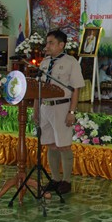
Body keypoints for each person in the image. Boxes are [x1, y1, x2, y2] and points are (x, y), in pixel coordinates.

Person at [33, 30, 85, 195]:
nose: (47, 46)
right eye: (47, 42)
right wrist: (36, 110)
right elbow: (37, 88)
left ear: (61, 45)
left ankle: (66, 181)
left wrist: (71, 112)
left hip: (61, 107)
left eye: (51, 43)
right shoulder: (44, 63)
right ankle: (55, 179)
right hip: (45, 107)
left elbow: (75, 89)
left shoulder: (71, 62)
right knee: (50, 144)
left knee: (63, 145)